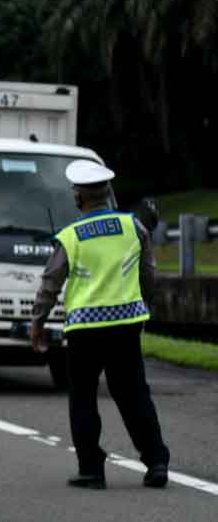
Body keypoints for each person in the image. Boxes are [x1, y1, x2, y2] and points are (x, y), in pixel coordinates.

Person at [31, 159, 169, 490]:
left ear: (78, 197)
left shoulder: (71, 237)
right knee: (135, 394)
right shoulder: (134, 227)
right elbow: (148, 273)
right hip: (126, 325)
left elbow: (51, 282)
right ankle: (156, 461)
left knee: (83, 397)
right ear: (108, 193)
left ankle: (91, 469)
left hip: (84, 330)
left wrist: (38, 321)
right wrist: (145, 306)